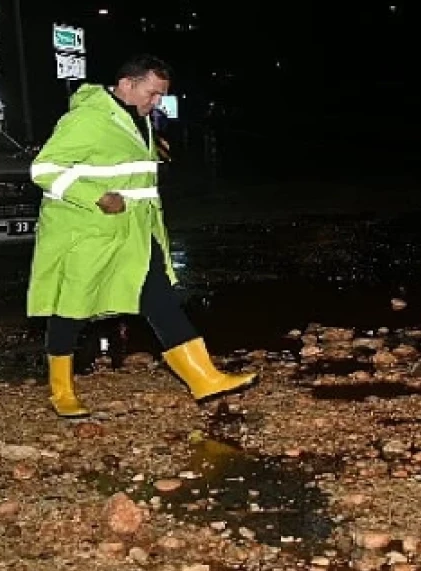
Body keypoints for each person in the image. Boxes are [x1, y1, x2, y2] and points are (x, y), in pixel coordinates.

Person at [27, 54, 256, 418]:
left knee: (159, 297)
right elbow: (44, 168)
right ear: (127, 84)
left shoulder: (139, 119)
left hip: (135, 230)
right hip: (88, 231)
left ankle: (204, 378)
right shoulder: (87, 118)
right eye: (151, 93)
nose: (156, 102)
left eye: (160, 96)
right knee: (70, 307)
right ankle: (61, 391)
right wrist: (96, 196)